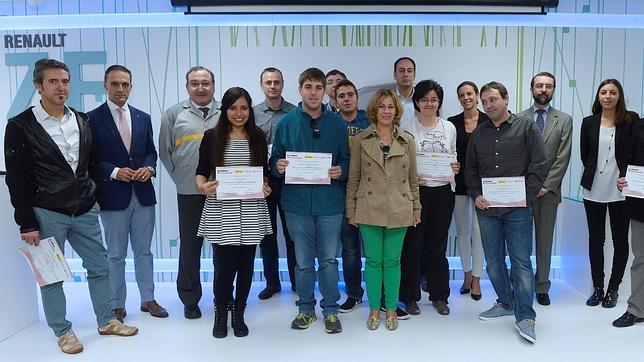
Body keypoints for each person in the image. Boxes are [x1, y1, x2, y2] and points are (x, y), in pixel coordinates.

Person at [4, 58, 138, 355]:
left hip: (85, 208)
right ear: (38, 86)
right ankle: (63, 331)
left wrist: (97, 199)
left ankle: (106, 320)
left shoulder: (81, 120)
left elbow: (91, 165)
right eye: (53, 81)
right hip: (47, 211)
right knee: (52, 275)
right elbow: (16, 179)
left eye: (64, 81)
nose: (60, 86)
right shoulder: (19, 126)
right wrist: (26, 222)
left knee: (100, 267)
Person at [465, 81, 547, 343]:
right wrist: (476, 194)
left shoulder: (526, 127)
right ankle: (506, 302)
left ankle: (525, 317)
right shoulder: (479, 133)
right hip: (487, 210)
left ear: (506, 99)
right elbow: (470, 170)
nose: (488, 105)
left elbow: (540, 163)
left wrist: (527, 196)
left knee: (521, 262)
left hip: (518, 210)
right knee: (494, 264)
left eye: (493, 100)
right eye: (485, 101)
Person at [270, 67, 350, 334]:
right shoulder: (285, 124)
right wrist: (278, 166)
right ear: (300, 89)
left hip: (330, 204)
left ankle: (330, 310)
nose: (313, 93)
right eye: (308, 87)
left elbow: (347, 161)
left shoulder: (338, 124)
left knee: (328, 260)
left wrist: (341, 171)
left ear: (324, 91)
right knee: (303, 262)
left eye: (318, 87)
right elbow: (273, 160)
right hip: (297, 205)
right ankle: (305, 309)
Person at [88, 64, 168, 322]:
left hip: (143, 194)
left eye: (125, 84)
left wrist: (149, 168)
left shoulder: (143, 117)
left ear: (131, 87)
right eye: (115, 84)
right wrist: (113, 172)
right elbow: (89, 160)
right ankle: (116, 305)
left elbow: (150, 152)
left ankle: (148, 299)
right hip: (113, 197)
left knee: (144, 252)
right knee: (115, 254)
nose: (120, 89)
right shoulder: (91, 118)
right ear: (105, 86)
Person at [196, 87, 272, 338]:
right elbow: (201, 171)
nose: (238, 114)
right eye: (233, 108)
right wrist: (202, 186)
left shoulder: (258, 137)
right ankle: (220, 312)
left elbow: (265, 174)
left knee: (246, 265)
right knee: (224, 267)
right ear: (224, 110)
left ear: (250, 110)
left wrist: (266, 187)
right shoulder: (212, 136)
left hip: (251, 209)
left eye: (243, 108)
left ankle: (239, 311)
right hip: (222, 209)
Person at [346, 89, 420, 330]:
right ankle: (374, 310)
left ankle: (391, 309)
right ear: (374, 111)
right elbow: (354, 178)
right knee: (374, 261)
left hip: (400, 206)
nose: (386, 111)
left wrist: (416, 208)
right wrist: (351, 210)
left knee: (393, 261)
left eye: (390, 106)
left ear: (396, 111)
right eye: (382, 107)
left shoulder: (407, 140)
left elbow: (412, 179)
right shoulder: (361, 139)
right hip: (369, 207)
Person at [159, 65, 221, 319]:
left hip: (221, 191)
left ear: (213, 85)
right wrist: (184, 178)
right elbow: (165, 153)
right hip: (189, 192)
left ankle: (222, 296)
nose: (200, 87)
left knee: (222, 246)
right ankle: (190, 299)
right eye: (194, 83)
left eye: (205, 82)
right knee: (190, 247)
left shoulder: (226, 113)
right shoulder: (173, 115)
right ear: (187, 87)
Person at [400, 79, 459, 316]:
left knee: (437, 247)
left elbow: (453, 154)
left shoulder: (449, 127)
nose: (429, 103)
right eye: (424, 99)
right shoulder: (407, 127)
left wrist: (454, 166)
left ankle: (439, 296)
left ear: (440, 102)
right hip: (417, 193)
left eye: (434, 99)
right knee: (412, 246)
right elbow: (403, 162)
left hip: (443, 192)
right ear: (416, 102)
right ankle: (410, 297)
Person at [517, 72, 572, 306]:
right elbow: (515, 156)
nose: (543, 90)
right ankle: (521, 285)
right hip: (520, 192)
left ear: (554, 90)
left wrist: (545, 186)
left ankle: (541, 287)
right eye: (539, 85)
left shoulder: (565, 119)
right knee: (519, 242)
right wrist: (527, 186)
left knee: (544, 241)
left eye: (548, 86)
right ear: (531, 89)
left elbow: (563, 157)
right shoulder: (518, 118)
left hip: (548, 193)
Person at [580, 79, 636, 309]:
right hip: (593, 189)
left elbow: (635, 151)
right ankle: (598, 288)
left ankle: (614, 289)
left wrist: (628, 175)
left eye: (613, 92)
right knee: (596, 240)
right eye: (603, 92)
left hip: (621, 190)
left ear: (619, 96)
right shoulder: (588, 122)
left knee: (620, 241)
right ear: (598, 96)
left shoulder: (630, 121)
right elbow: (585, 155)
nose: (608, 96)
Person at [253, 67, 297, 299]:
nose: (272, 86)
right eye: (268, 82)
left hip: (289, 181)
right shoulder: (252, 114)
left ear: (282, 84)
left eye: (276, 82)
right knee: (266, 235)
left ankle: (298, 282)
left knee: (292, 234)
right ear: (261, 85)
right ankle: (272, 283)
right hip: (262, 183)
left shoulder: (295, 112)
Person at [447, 81, 490, 301]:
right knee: (463, 231)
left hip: (484, 186)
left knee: (478, 233)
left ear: (477, 95)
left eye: (470, 93)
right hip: (460, 184)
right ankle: (465, 275)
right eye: (462, 94)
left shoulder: (488, 120)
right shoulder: (451, 123)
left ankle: (476, 279)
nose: (466, 98)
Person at [333, 79, 370, 313]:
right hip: (340, 192)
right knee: (350, 249)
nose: (346, 99)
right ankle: (354, 294)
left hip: (370, 191)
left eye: (350, 94)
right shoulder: (330, 122)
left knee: (376, 249)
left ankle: (384, 295)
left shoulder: (371, 120)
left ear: (356, 97)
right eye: (341, 96)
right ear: (335, 101)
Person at [613, 117, 644, 327]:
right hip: (641, 202)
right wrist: (624, 179)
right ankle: (637, 308)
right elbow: (628, 159)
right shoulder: (639, 126)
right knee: (641, 257)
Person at [393, 57, 416, 127]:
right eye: (401, 71)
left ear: (414, 75)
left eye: (409, 71)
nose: (406, 74)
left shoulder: (423, 99)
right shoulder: (387, 99)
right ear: (395, 75)